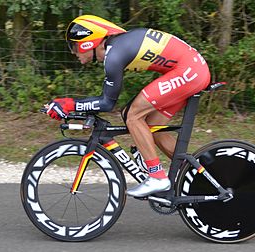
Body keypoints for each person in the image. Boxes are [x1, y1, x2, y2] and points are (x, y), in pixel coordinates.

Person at [46, 15, 211, 197]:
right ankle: (197, 174)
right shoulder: (116, 47)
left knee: (133, 116)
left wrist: (69, 104)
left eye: (73, 46)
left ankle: (157, 176)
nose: (72, 52)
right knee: (148, 124)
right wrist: (73, 105)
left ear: (88, 42)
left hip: (189, 71)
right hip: (190, 69)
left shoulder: (114, 54)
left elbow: (107, 103)